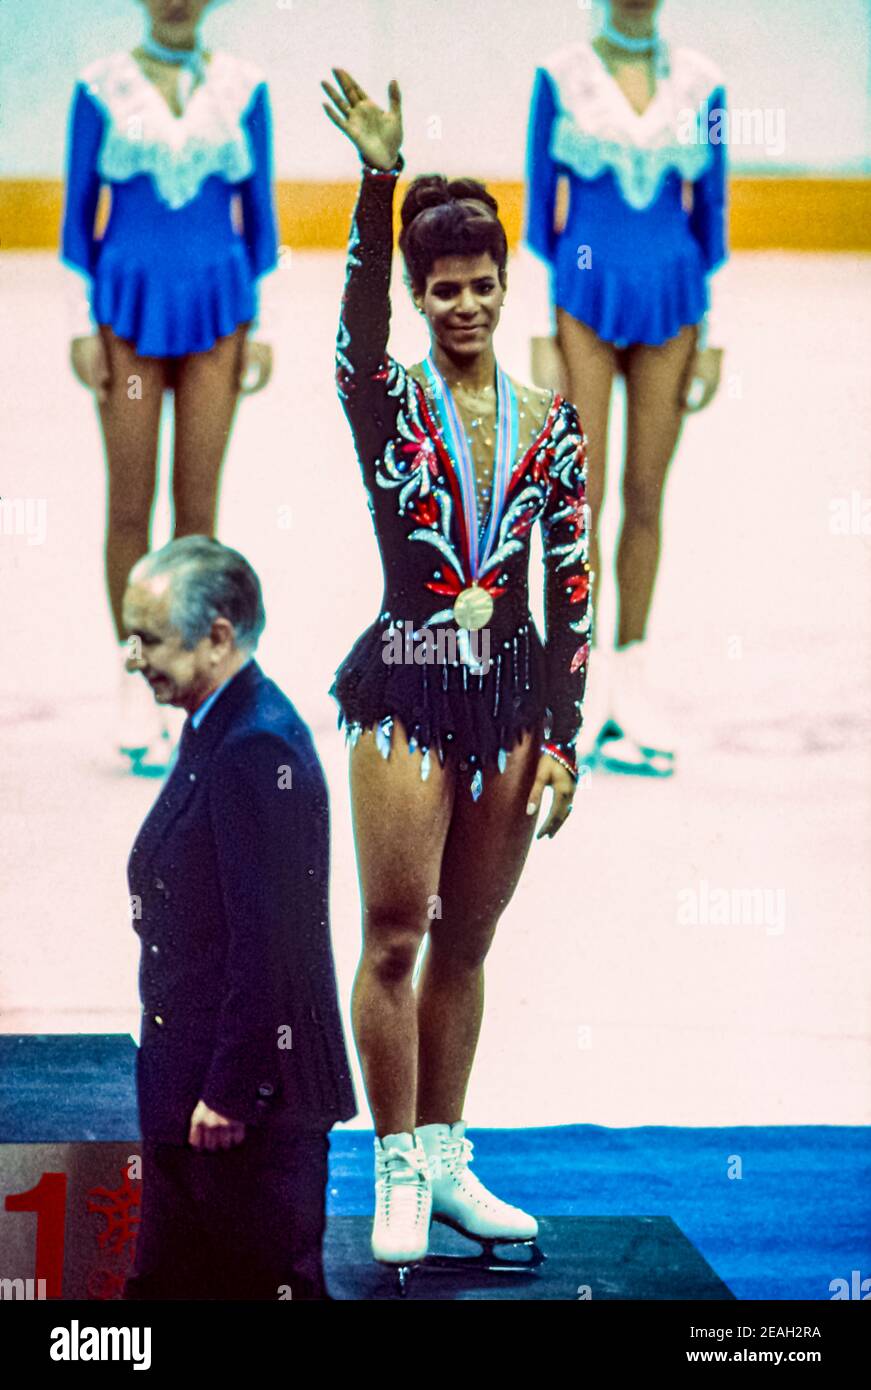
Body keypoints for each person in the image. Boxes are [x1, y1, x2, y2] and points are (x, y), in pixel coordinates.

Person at [321, 67, 592, 1268]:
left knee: (465, 943)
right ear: (422, 296)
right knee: (392, 934)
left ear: (502, 283)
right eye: (445, 290)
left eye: (483, 285)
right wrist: (380, 179)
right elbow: (355, 319)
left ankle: (442, 1156)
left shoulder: (553, 419)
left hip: (510, 701)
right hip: (407, 687)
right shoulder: (382, 399)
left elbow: (571, 585)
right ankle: (390, 1162)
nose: (467, 304)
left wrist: (568, 731)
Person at [121, 536, 356, 1300]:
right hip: (199, 1084)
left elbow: (272, 946)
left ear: (217, 635)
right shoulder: (217, 722)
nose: (131, 657)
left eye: (148, 637)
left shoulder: (255, 746)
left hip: (245, 1110)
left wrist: (230, 1091)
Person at [60, 0, 278, 772]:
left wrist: (258, 323)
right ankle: (137, 669)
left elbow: (261, 226)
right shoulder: (101, 87)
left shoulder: (245, 88)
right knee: (130, 498)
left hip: (218, 313)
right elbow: (76, 219)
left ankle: (195, 681)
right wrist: (83, 324)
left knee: (196, 509)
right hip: (127, 310)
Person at [524, 0, 728, 774]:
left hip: (673, 301)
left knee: (645, 493)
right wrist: (542, 332)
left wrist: (717, 335)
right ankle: (578, 677)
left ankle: (632, 673)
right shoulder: (560, 76)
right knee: (582, 494)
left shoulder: (702, 84)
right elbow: (542, 214)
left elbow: (713, 212)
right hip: (583, 297)